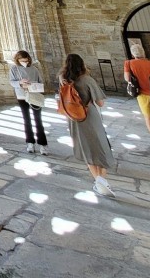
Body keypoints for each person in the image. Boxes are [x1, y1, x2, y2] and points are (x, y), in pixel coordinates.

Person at [59, 53, 115, 197]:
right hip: (89, 117)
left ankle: (98, 181)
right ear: (82, 64)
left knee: (86, 149)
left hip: (73, 117)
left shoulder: (63, 80)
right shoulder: (87, 79)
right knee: (101, 147)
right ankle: (101, 180)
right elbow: (100, 102)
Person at [8, 49, 48, 155]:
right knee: (27, 120)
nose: (24, 63)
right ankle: (30, 142)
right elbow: (12, 82)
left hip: (34, 95)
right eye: (22, 61)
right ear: (17, 60)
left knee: (38, 120)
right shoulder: (14, 69)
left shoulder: (34, 69)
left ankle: (42, 144)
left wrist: (33, 85)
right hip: (22, 96)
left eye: (26, 61)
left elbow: (40, 82)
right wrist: (20, 83)